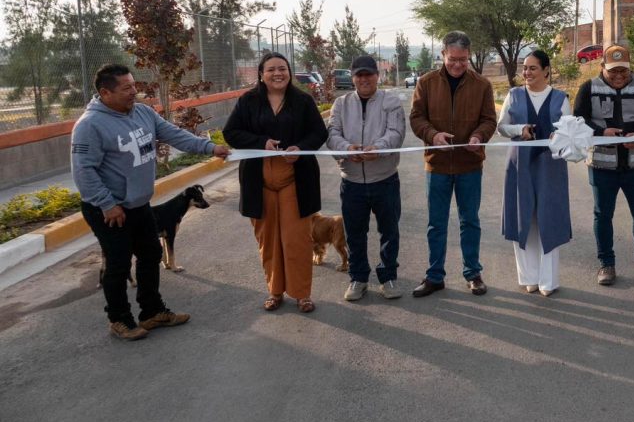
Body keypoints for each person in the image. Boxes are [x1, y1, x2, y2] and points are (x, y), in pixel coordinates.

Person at [72, 64, 230, 340]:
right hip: (109, 210)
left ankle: (152, 311)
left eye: (134, 85)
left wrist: (210, 147)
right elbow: (83, 171)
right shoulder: (89, 126)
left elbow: (174, 134)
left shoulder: (143, 112)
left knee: (151, 254)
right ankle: (119, 319)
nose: (134, 91)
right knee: (119, 265)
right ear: (105, 93)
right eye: (126, 88)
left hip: (138, 205)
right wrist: (107, 204)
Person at [223, 52, 328, 312]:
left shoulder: (303, 101)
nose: (277, 73)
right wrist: (261, 143)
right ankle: (275, 290)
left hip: (295, 179)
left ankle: (302, 294)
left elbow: (319, 132)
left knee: (296, 239)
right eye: (271, 69)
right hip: (259, 182)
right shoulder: (248, 101)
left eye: (282, 68)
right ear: (261, 74)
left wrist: (300, 148)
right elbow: (231, 133)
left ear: (289, 72)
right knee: (268, 240)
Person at [408, 31, 497, 297]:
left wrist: (478, 136)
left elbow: (489, 120)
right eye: (453, 59)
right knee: (436, 223)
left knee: (470, 221)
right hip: (437, 166)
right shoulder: (426, 83)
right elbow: (416, 118)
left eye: (463, 60)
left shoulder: (482, 85)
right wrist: (432, 135)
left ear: (469, 57)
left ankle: (473, 274)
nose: (458, 65)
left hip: (470, 165)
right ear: (443, 54)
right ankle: (435, 276)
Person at [574, 44, 634, 286]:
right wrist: (601, 132)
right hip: (602, 166)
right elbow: (579, 120)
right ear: (602, 67)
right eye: (613, 71)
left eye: (623, 71)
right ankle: (606, 264)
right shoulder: (588, 88)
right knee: (603, 216)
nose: (618, 76)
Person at [327, 54, 407, 301]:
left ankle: (388, 277)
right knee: (354, 234)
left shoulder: (391, 102)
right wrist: (347, 149)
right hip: (351, 182)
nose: (364, 79)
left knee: (389, 232)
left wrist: (378, 148)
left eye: (368, 74)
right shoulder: (341, 104)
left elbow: (396, 133)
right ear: (353, 78)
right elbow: (332, 133)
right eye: (359, 75)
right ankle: (358, 278)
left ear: (377, 76)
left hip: (385, 180)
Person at [498, 50, 571, 296]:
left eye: (532, 68)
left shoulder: (560, 98)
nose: (526, 73)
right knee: (523, 219)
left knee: (549, 219)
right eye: (525, 68)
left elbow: (570, 129)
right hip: (520, 165)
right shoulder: (513, 95)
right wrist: (519, 129)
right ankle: (528, 277)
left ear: (546, 70)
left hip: (551, 167)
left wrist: (558, 136)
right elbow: (501, 127)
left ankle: (548, 281)